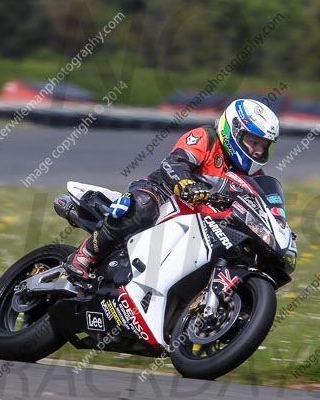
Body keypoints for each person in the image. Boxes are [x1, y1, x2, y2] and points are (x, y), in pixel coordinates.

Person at [64, 98, 280, 283]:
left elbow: (259, 206)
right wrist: (185, 183)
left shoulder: (254, 178)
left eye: (264, 146)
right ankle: (85, 255)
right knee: (143, 205)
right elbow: (173, 163)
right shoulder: (206, 138)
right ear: (233, 130)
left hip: (202, 220)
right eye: (253, 142)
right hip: (164, 193)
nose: (258, 150)